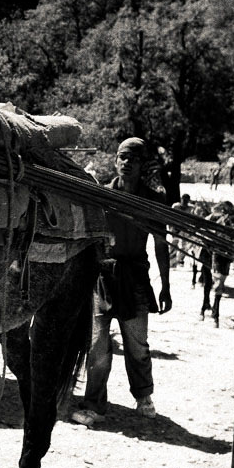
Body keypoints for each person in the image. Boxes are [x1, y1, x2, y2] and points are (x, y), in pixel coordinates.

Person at [72, 137, 172, 427]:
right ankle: (94, 406)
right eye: (122, 157)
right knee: (98, 345)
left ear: (142, 165)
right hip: (103, 278)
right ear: (115, 161)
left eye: (133, 158)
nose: (126, 163)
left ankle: (143, 397)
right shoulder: (103, 195)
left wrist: (165, 284)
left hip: (136, 277)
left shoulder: (152, 200)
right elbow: (88, 239)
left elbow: (161, 243)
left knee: (137, 345)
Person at [199, 201, 234, 327]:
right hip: (209, 250)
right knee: (208, 281)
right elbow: (203, 228)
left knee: (220, 283)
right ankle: (205, 305)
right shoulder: (213, 217)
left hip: (224, 253)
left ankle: (215, 312)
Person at [169, 193, 193, 267]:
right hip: (176, 227)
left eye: (186, 201)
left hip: (185, 229)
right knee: (174, 244)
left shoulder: (191, 209)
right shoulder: (175, 206)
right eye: (183, 200)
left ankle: (180, 260)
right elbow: (170, 217)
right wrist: (171, 228)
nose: (184, 202)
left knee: (185, 245)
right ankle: (172, 261)